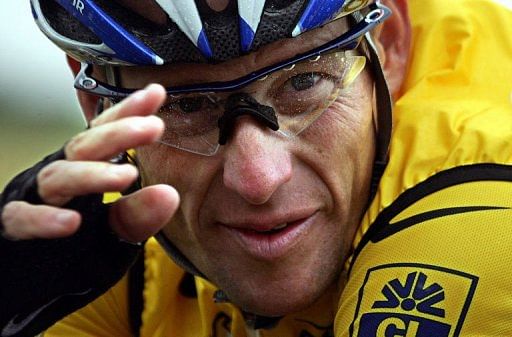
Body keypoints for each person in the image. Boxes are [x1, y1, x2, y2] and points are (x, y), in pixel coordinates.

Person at [0, 0, 511, 336]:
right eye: (186, 107)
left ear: (392, 45)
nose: (259, 180)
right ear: (97, 109)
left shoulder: (481, 225)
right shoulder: (114, 239)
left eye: (304, 83)